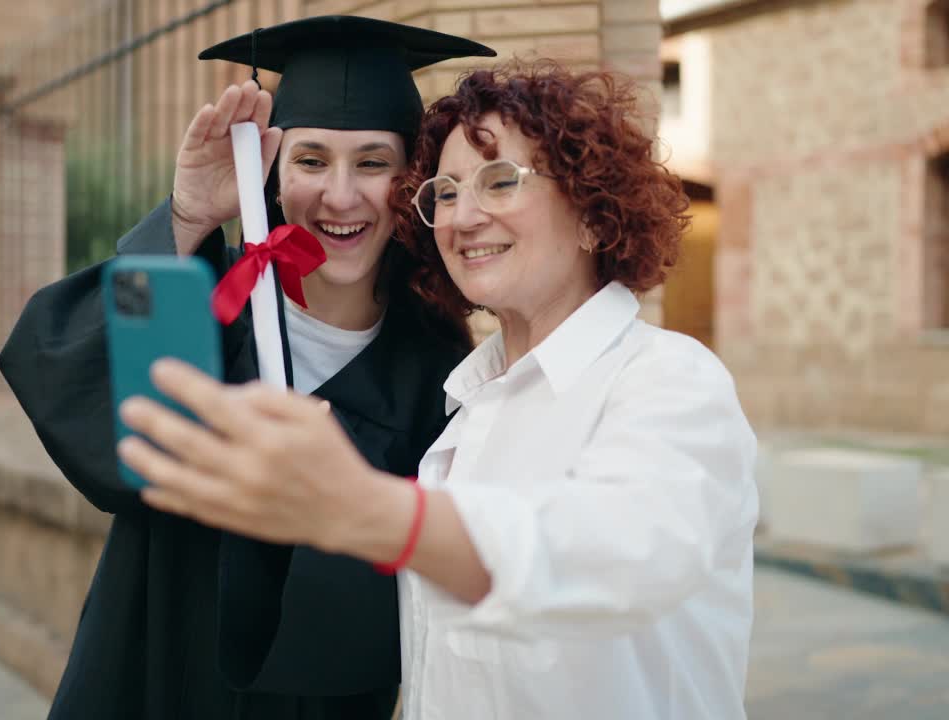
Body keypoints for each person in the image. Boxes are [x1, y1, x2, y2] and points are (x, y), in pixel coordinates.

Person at [117, 61, 761, 720]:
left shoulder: (669, 381)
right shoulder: (462, 415)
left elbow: (615, 551)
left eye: (500, 181)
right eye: (445, 193)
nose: (463, 216)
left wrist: (370, 509)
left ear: (594, 216)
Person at [0, 15, 494, 720]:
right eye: (312, 160)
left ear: (409, 178)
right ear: (272, 174)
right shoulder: (201, 300)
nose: (341, 195)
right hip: (148, 676)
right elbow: (64, 373)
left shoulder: (437, 369)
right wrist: (187, 218)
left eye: (373, 163)